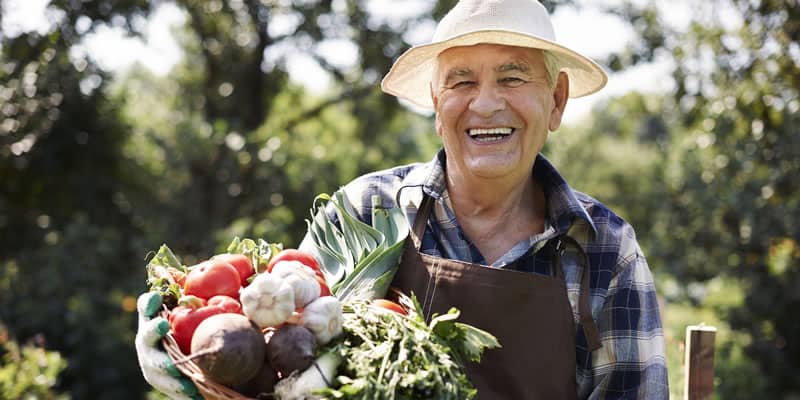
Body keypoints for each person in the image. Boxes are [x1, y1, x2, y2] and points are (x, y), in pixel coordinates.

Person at [136, 0, 669, 398]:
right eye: (460, 81)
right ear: (437, 104)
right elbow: (277, 368)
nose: (485, 104)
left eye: (513, 77)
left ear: (555, 102)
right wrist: (197, 364)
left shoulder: (604, 250)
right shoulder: (363, 211)